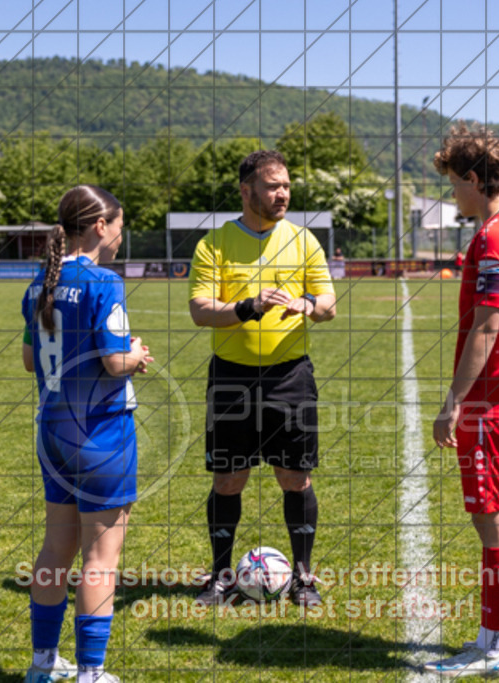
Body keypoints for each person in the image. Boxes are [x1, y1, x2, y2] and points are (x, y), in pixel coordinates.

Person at [188, 150, 337, 607]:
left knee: (296, 478)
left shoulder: (304, 240)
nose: (282, 194)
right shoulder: (214, 244)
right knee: (228, 480)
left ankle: (304, 578)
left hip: (290, 377)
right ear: (246, 190)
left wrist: (308, 306)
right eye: (273, 185)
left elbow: (329, 302)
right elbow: (199, 310)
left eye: (286, 185)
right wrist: (246, 307)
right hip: (232, 379)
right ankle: (221, 575)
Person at [21, 185, 153, 683]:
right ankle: (91, 673)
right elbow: (116, 361)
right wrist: (136, 356)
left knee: (56, 548)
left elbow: (31, 359)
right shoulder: (104, 282)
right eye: (120, 226)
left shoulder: (41, 282)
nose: (121, 237)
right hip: (100, 433)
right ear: (101, 226)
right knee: (101, 555)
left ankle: (41, 666)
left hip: (52, 430)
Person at [424, 125, 499, 678]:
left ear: (474, 179)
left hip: (493, 401)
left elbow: (485, 330)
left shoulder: (493, 237)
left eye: (454, 184)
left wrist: (453, 402)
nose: (453, 195)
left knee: (494, 525)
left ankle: (490, 648)